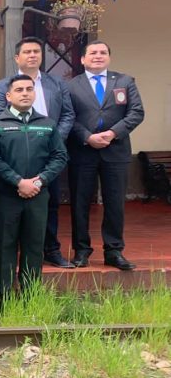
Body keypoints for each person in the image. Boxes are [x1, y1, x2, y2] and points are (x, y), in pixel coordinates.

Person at [0, 37, 75, 268]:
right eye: (27, 51)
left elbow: (68, 114)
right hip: (14, 157)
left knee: (51, 203)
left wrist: (53, 139)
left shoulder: (57, 83)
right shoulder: (3, 85)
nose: (32, 55)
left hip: (48, 156)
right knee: (12, 210)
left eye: (36, 51)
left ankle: (51, 249)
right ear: (17, 57)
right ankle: (16, 252)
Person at [0, 74, 68, 298]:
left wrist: (39, 181)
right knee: (5, 247)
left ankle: (31, 298)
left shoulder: (48, 125)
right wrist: (18, 181)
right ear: (8, 95)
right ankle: (6, 298)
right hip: (7, 196)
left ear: (35, 93)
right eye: (19, 90)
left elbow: (60, 157)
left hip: (38, 196)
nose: (25, 93)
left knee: (33, 248)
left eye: (29, 89)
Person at [66, 41, 144, 270]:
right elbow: (68, 116)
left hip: (116, 151)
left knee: (115, 203)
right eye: (93, 53)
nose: (98, 56)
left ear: (109, 57)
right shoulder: (71, 86)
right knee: (80, 202)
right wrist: (87, 136)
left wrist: (112, 133)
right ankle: (81, 250)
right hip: (83, 151)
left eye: (103, 53)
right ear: (82, 59)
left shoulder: (124, 81)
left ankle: (114, 250)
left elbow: (136, 112)